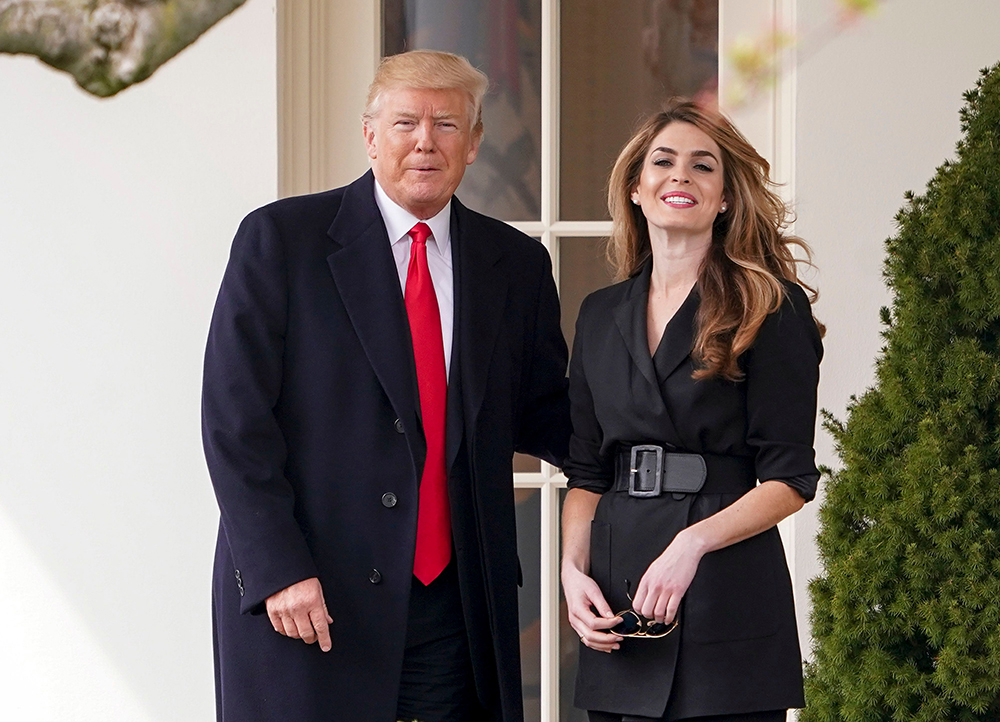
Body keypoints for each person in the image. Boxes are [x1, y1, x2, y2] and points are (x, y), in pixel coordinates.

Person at [202, 50, 570, 722]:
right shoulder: (282, 241)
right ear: (371, 137)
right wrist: (278, 568)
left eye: (448, 125)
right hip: (310, 599)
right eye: (406, 123)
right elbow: (235, 423)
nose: (426, 141)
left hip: (455, 610)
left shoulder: (516, 264)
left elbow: (551, 416)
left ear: (476, 141)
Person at [560, 99, 824, 722]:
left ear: (727, 197)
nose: (681, 176)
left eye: (703, 167)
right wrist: (573, 575)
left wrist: (692, 546)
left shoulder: (769, 305)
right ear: (635, 186)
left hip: (723, 585)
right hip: (620, 594)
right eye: (664, 162)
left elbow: (789, 480)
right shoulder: (599, 313)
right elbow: (586, 477)